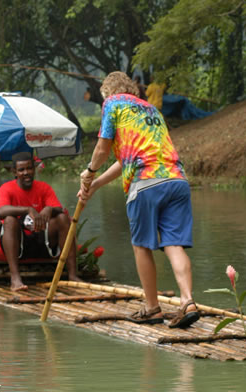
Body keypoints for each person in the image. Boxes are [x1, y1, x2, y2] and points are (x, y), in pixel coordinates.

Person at [78, 71, 200, 329]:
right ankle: (188, 301)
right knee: (173, 243)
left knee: (142, 245)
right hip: (177, 180)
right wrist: (97, 184)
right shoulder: (150, 109)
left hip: (146, 184)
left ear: (108, 93)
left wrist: (89, 172)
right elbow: (125, 159)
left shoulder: (113, 104)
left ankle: (152, 307)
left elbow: (102, 149)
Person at [0, 152, 80, 291]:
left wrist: (49, 209)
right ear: (15, 172)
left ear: (34, 169)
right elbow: (0, 212)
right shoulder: (6, 188)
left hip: (42, 240)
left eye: (29, 168)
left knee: (62, 218)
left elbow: (58, 207)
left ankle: (72, 275)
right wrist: (27, 210)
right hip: (19, 244)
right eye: (21, 170)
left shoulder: (44, 187)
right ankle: (15, 279)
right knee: (9, 220)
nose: (26, 173)